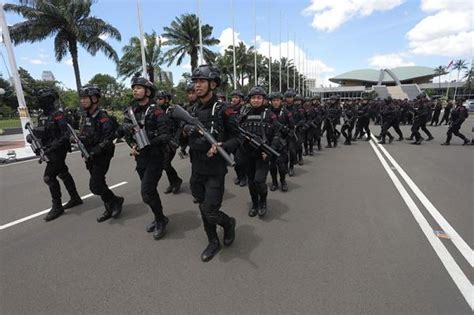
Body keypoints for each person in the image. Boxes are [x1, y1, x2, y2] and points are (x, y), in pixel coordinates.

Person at [184, 65, 239, 262]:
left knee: (210, 210)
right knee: (202, 207)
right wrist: (185, 132)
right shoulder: (192, 110)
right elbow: (183, 137)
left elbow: (237, 137)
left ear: (213, 84)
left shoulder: (224, 110)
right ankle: (213, 241)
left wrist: (223, 145)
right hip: (197, 168)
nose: (197, 86)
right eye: (195, 82)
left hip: (215, 169)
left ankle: (228, 224)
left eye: (201, 82)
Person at [117, 78, 173, 239]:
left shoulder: (157, 111)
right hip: (141, 158)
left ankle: (161, 220)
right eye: (133, 88)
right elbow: (122, 134)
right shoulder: (131, 111)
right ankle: (159, 217)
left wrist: (146, 141)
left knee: (147, 192)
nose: (135, 90)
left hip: (156, 157)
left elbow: (165, 135)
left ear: (148, 92)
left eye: (139, 88)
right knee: (151, 191)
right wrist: (129, 137)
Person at [27, 88, 82, 222]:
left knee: (48, 177)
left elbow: (66, 134)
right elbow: (40, 132)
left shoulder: (58, 115)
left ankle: (57, 206)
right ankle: (75, 197)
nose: (40, 102)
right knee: (62, 172)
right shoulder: (41, 116)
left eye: (42, 99)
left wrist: (53, 146)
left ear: (49, 100)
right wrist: (31, 136)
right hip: (48, 150)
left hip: (58, 150)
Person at [78, 85, 123, 222]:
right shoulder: (86, 117)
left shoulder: (102, 117)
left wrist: (98, 148)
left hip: (102, 155)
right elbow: (84, 134)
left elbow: (109, 138)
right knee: (100, 182)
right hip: (90, 155)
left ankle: (115, 200)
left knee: (95, 186)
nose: (83, 101)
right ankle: (109, 207)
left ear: (94, 99)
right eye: (82, 98)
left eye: (85, 98)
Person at [239, 86, 281, 217]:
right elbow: (237, 131)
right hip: (248, 154)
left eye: (259, 98)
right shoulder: (244, 114)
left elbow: (277, 133)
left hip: (263, 154)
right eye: (253, 98)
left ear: (264, 100)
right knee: (251, 181)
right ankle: (255, 203)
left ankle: (263, 201)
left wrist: (270, 149)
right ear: (249, 99)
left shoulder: (269, 114)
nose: (256, 100)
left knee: (259, 181)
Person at [156, 90, 183, 195]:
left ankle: (176, 181)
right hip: (162, 141)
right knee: (164, 164)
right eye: (157, 99)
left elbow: (180, 126)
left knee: (166, 164)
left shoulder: (173, 110)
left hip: (171, 141)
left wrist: (176, 140)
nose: (158, 101)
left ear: (167, 100)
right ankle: (173, 182)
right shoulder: (157, 111)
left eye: (160, 99)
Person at [268, 92, 292, 192]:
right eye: (274, 100)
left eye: (277, 100)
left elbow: (292, 125)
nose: (276, 102)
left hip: (282, 142)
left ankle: (283, 181)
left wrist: (286, 130)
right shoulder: (267, 112)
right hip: (270, 142)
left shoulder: (286, 112)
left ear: (281, 101)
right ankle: (274, 182)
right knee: (272, 165)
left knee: (282, 166)